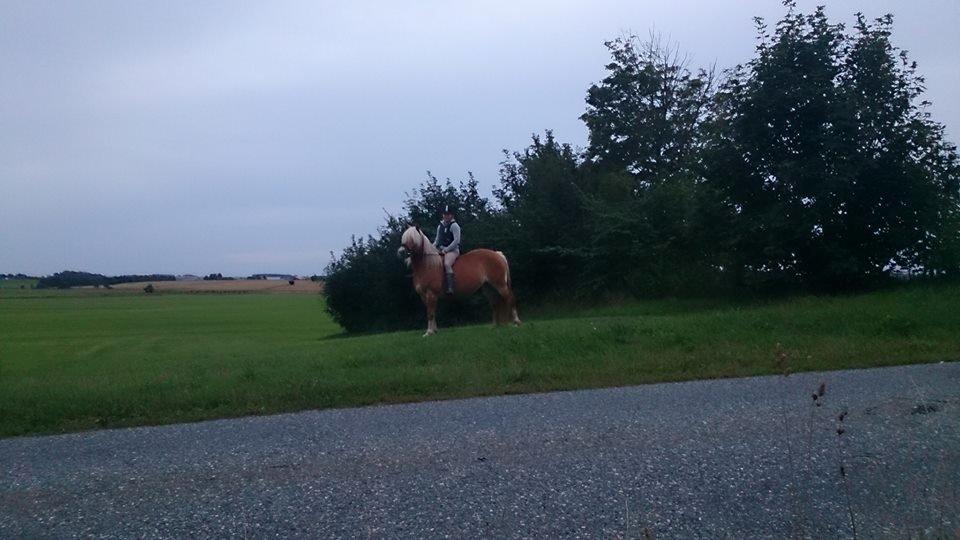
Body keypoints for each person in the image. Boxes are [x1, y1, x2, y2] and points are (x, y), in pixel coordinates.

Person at [433, 205, 461, 294]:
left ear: (452, 215)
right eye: (444, 214)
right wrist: (431, 248)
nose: (446, 216)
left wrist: (446, 250)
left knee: (447, 264)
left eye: (448, 214)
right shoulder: (440, 226)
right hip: (441, 249)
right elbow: (437, 240)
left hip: (453, 250)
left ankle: (450, 287)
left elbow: (456, 241)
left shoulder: (454, 226)